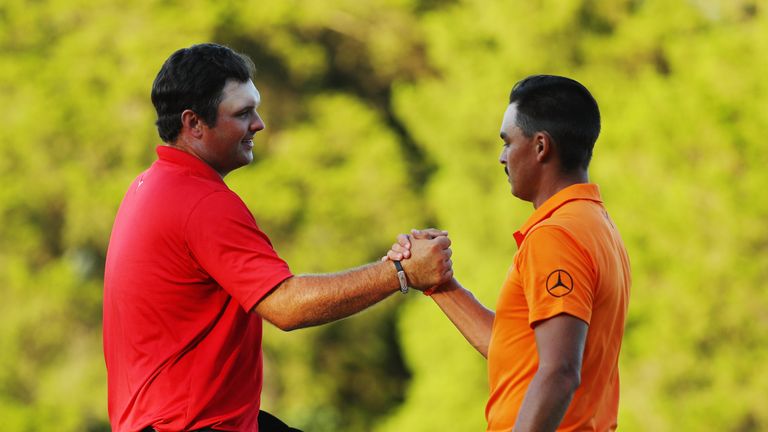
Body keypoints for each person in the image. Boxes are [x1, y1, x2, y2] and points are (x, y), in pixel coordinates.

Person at [102, 43, 453, 432]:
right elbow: (287, 307)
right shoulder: (202, 203)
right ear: (194, 123)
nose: (259, 124)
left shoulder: (149, 185)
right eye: (242, 113)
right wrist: (402, 272)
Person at [388, 75, 631, 431]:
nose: (502, 157)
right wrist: (438, 283)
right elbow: (517, 353)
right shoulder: (594, 223)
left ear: (540, 147)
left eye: (507, 142)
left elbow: (560, 371)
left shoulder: (556, 235)